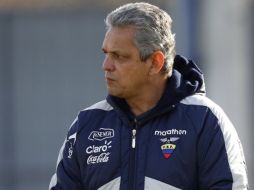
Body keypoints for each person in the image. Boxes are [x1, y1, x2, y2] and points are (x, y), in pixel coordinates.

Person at [49, 2, 249, 190]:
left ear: (155, 62)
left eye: (119, 56)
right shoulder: (86, 124)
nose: (106, 66)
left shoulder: (205, 120)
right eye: (106, 54)